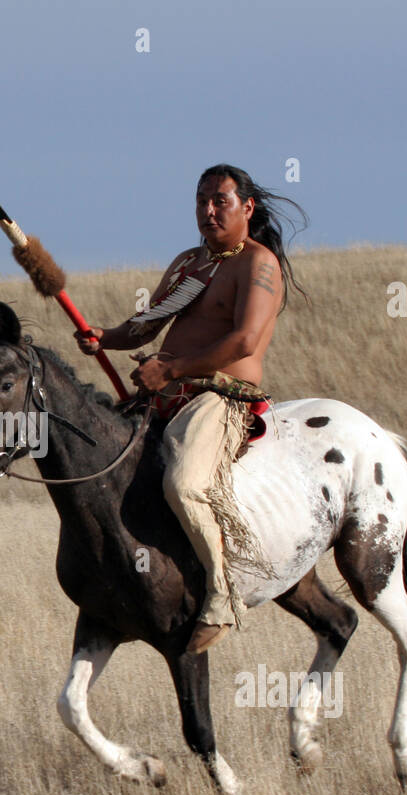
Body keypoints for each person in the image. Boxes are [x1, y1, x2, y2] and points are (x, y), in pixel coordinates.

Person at [75, 164, 306, 653]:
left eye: (220, 201)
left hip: (220, 396)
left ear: (247, 207)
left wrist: (173, 370)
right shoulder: (189, 263)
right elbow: (145, 326)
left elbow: (243, 340)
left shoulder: (258, 265)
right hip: (166, 389)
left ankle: (222, 597)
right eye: (202, 201)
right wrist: (104, 336)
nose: (208, 211)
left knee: (183, 484)